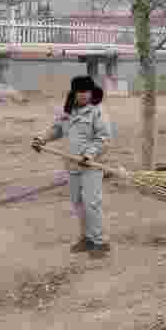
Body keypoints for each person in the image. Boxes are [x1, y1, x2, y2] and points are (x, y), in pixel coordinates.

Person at [32, 75, 112, 258]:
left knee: (92, 204)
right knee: (78, 204)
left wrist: (89, 154)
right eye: (80, 92)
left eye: (86, 92)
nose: (83, 96)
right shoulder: (68, 112)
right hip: (72, 165)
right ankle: (86, 238)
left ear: (92, 92)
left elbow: (104, 139)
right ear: (74, 93)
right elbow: (57, 129)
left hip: (90, 166)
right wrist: (41, 139)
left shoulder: (97, 112)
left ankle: (100, 242)